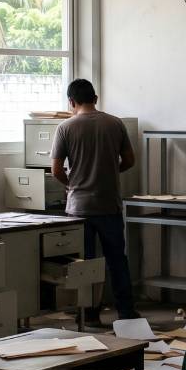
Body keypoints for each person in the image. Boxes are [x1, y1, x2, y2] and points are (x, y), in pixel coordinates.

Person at [50, 79, 138, 321]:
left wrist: (73, 184)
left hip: (80, 208)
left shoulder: (65, 128)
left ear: (71, 101)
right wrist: (109, 172)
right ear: (95, 98)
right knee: (117, 261)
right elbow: (130, 160)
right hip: (109, 204)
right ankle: (126, 312)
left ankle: (88, 314)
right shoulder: (115, 123)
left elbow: (56, 169)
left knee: (84, 265)